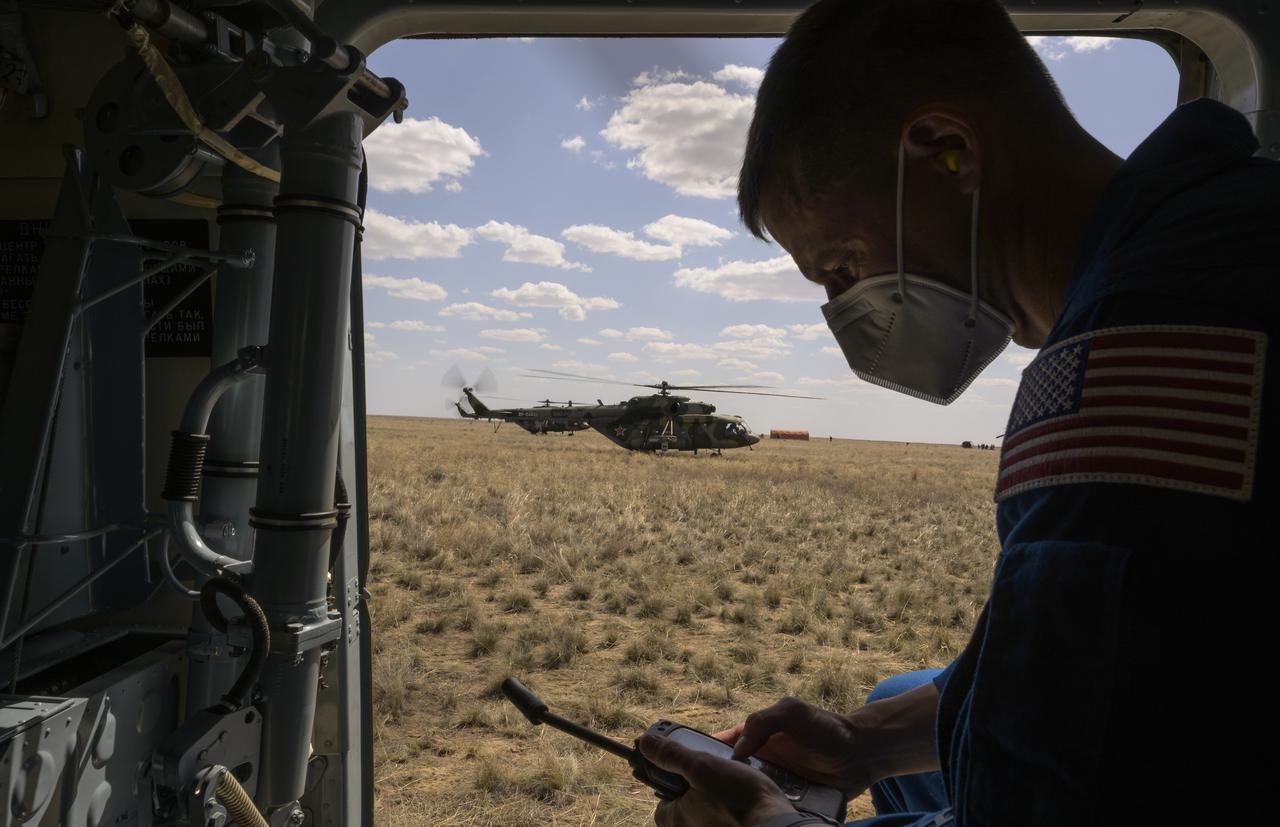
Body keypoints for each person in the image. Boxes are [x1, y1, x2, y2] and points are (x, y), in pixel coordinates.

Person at [639, 1, 1278, 825]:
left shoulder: (1143, 350)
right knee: (900, 698)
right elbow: (1073, 666)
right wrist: (861, 741)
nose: (846, 310)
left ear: (947, 153)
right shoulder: (1211, 230)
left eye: (842, 267)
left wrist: (773, 823)